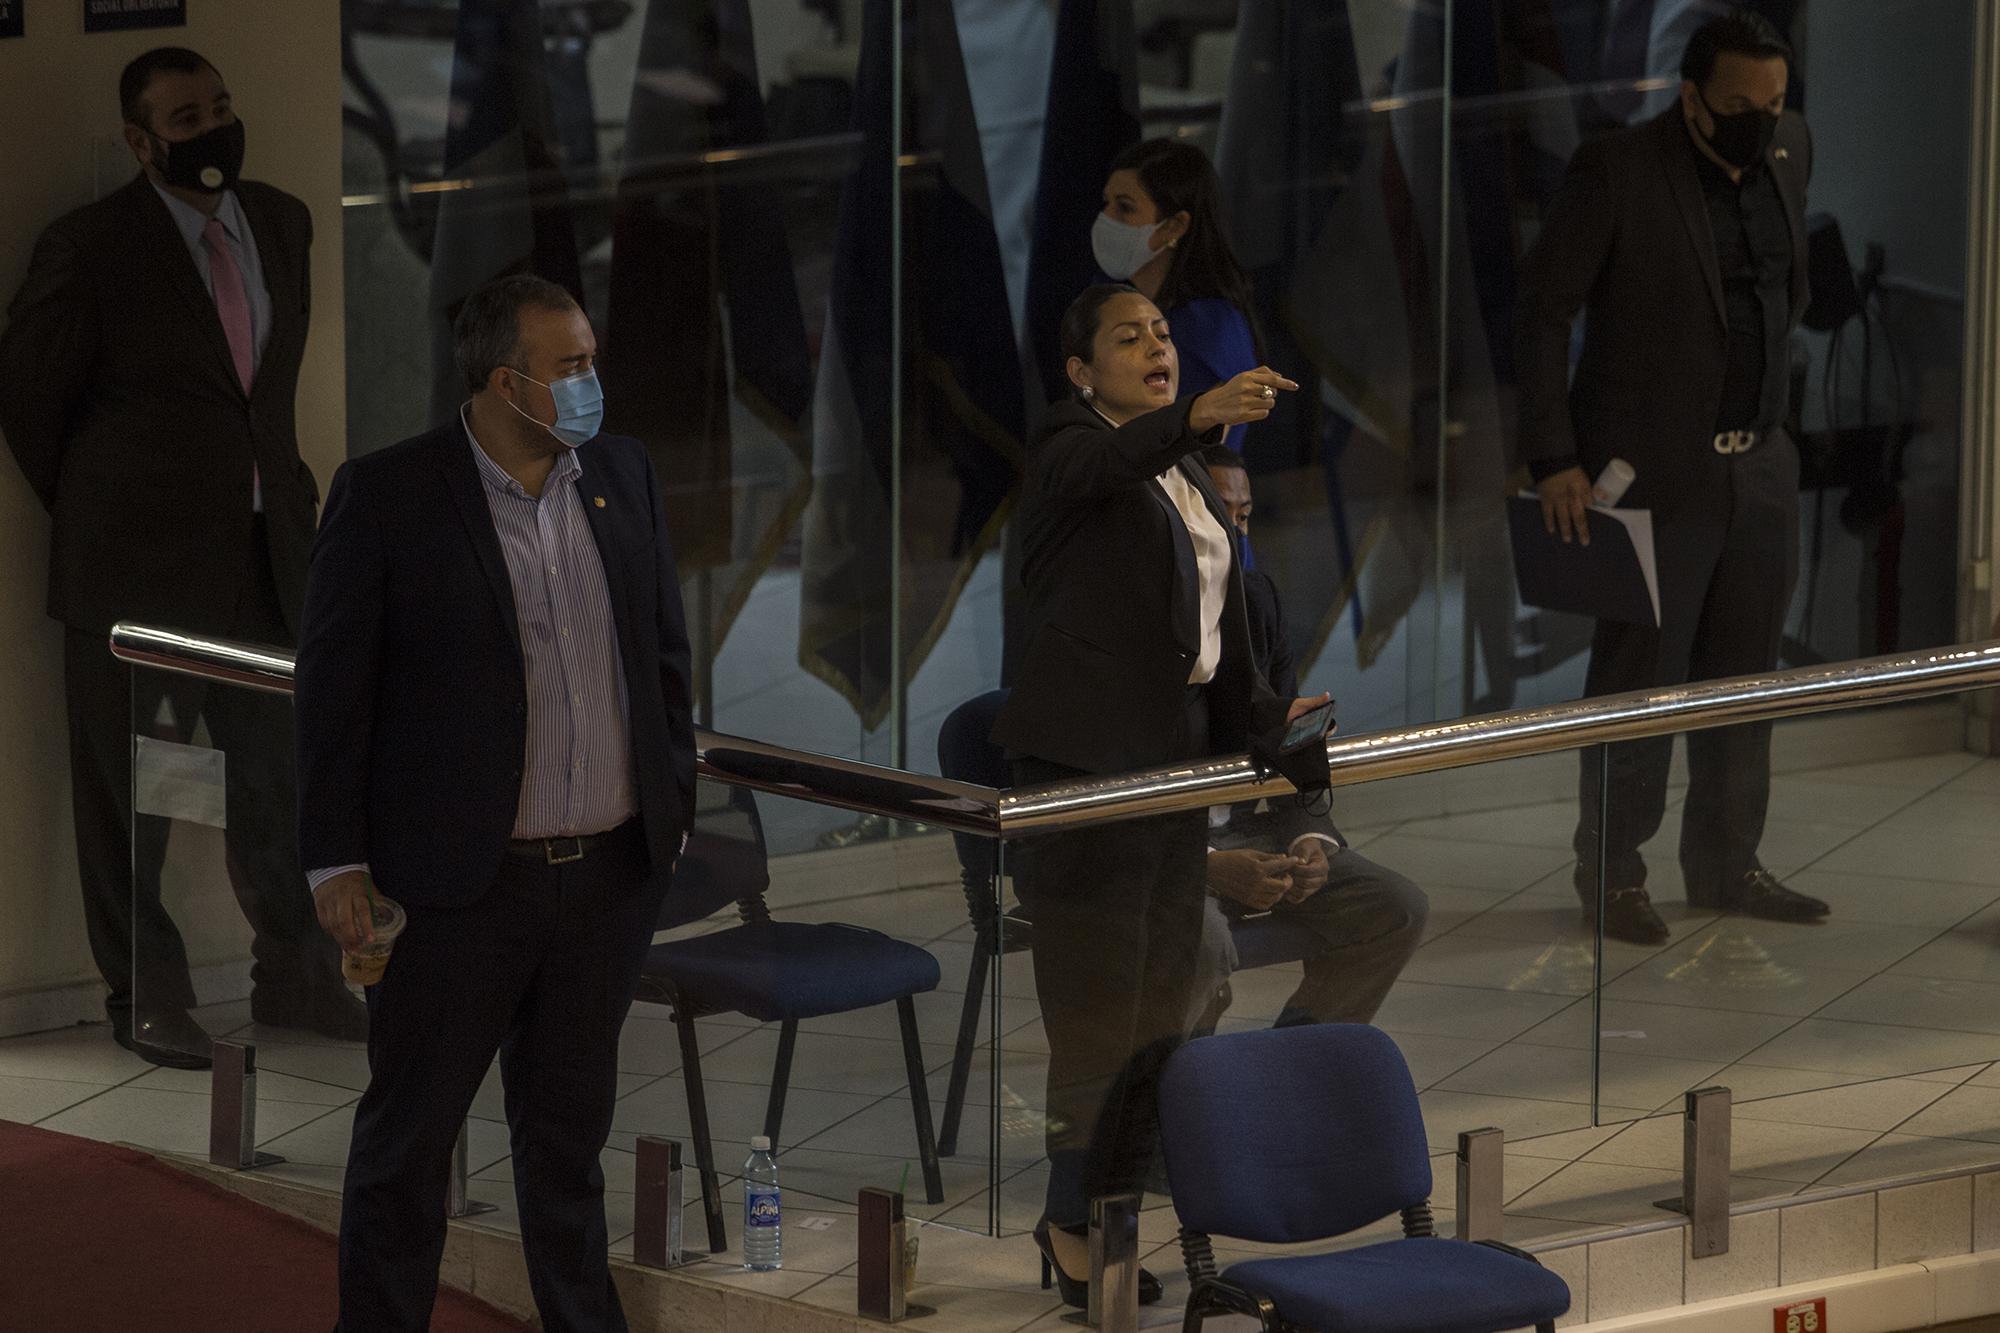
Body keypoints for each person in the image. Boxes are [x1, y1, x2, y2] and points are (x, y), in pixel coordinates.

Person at [295, 275, 696, 1332]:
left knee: (566, 1148)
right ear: (501, 380)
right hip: (454, 886)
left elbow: (662, 657)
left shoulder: (620, 473)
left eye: (590, 360)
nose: (589, 385)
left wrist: (671, 806)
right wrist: (334, 859)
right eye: (567, 368)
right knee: (408, 1148)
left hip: (604, 877)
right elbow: (335, 690)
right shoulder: (388, 494)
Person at [0, 47, 356, 1068]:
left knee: (277, 781)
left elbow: (265, 391)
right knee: (140, 794)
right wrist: (111, 506)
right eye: (186, 115)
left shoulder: (282, 220)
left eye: (221, 106)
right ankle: (145, 994)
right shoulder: (91, 247)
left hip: (267, 554)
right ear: (140, 139)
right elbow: (29, 399)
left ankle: (295, 973)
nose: (212, 127)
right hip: (136, 575)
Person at [991, 283, 1315, 1307]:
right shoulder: (1067, 449)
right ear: (1081, 373)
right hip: (1086, 775)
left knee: (1157, 1010)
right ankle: (1067, 1217)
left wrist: (1270, 725)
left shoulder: (1179, 465)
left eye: (1163, 333)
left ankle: (1115, 1209)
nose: (1154, 346)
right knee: (1096, 1015)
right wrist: (1199, 416)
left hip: (1173, 762)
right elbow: (1102, 464)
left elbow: (1206, 632)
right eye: (1126, 338)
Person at [1517, 9, 1827, 945]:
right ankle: (1611, 876)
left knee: (1745, 681)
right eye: (1738, 104)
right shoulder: (1619, 169)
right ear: (1691, 95)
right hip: (1650, 471)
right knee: (1638, 686)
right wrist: (1555, 459)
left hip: (1762, 467)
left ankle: (1728, 862)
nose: (1759, 120)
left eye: (1773, 104)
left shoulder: (1788, 152)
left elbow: (1788, 296)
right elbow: (1542, 312)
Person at [1190, 447, 1428, 1032]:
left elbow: (1292, 741)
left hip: (1251, 830)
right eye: (1220, 512)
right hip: (1167, 847)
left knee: (1395, 908)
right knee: (1202, 944)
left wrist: (1309, 837)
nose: (1234, 531)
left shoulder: (1256, 599)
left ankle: (1298, 1060)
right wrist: (1211, 865)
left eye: (1243, 516)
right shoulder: (1136, 615)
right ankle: (1177, 1095)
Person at [1093, 138, 1262, 452]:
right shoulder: (1108, 301)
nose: (1106, 218)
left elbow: (1211, 447)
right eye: (1107, 202)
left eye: (1125, 207)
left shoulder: (1209, 325)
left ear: (1173, 227)